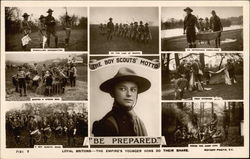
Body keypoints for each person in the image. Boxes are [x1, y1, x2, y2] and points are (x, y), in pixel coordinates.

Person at [92, 67, 151, 136]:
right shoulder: (108, 124)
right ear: (112, 93)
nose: (129, 94)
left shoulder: (137, 121)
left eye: (133, 90)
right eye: (123, 89)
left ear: (136, 94)